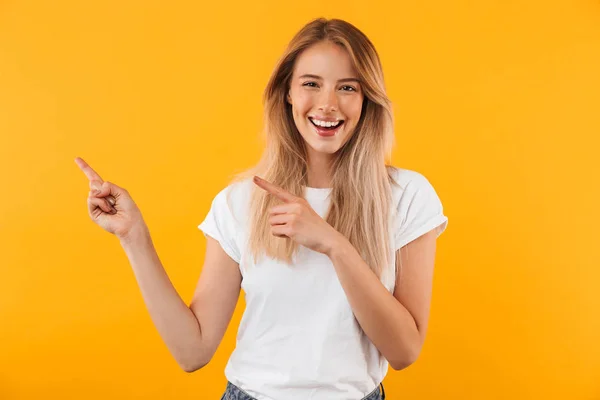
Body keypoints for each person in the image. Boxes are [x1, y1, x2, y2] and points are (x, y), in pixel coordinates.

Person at [75, 17, 448, 400]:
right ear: (287, 92)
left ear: (366, 99)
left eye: (347, 88)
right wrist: (133, 236)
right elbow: (192, 351)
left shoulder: (407, 196)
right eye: (311, 84)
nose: (327, 104)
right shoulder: (240, 203)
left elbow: (404, 351)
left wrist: (334, 245)